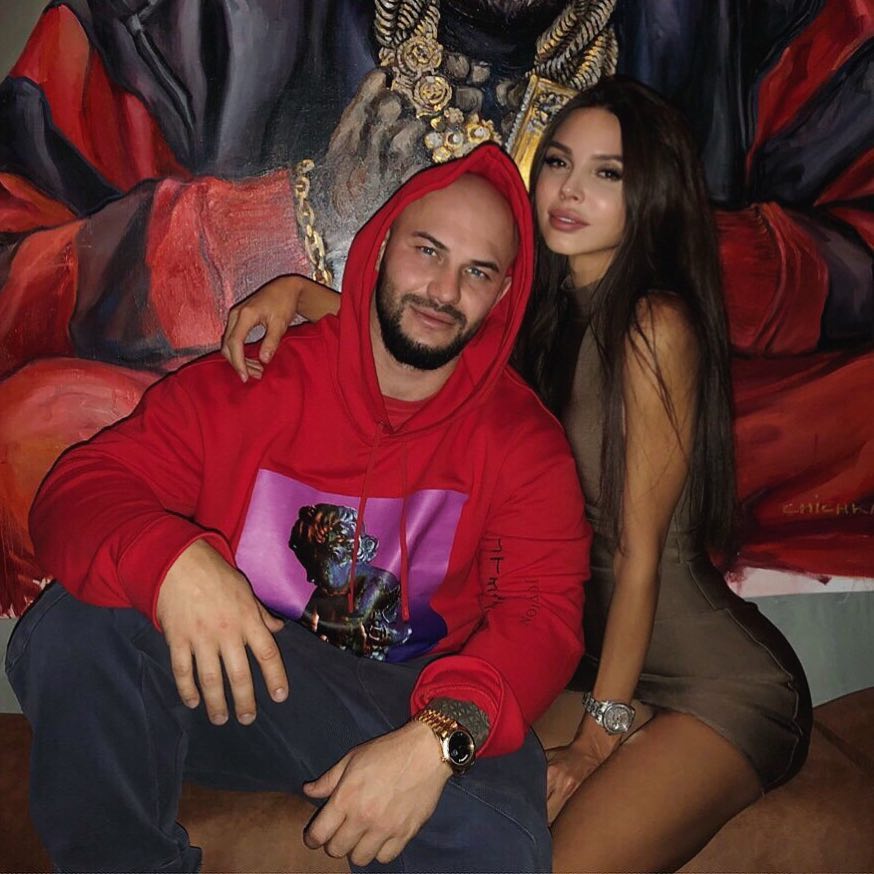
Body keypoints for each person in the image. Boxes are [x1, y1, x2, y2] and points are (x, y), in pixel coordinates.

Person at [1, 1, 871, 616]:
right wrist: (262, 231)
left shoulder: (772, 16)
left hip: (583, 447)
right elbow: (14, 268)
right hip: (326, 448)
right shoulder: (170, 18)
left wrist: (661, 247)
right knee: (42, 427)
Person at [222, 77, 813, 873]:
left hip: (719, 683)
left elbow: (638, 556)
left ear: (654, 192)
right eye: (559, 161)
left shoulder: (653, 325)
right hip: (606, 668)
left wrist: (597, 740)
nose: (568, 189)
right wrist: (300, 293)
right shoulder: (544, 313)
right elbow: (424, 329)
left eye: (608, 172)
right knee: (479, 821)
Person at [5, 144, 591, 872]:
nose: (444, 290)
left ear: (502, 296)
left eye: (478, 272)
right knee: (74, 626)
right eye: (428, 251)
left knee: (502, 841)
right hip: (239, 676)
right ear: (380, 248)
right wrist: (172, 562)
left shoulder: (523, 440)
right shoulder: (250, 382)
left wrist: (439, 736)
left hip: (405, 701)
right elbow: (77, 492)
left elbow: (542, 614)